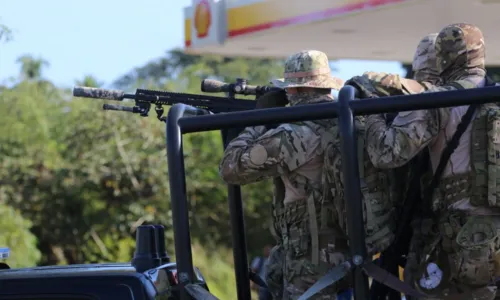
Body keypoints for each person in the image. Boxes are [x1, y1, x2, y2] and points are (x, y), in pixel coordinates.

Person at [346, 23, 500, 299]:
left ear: (441, 57)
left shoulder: (436, 100)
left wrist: (370, 111)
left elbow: (387, 152)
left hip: (458, 237)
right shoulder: (495, 95)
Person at [219, 50, 347, 299]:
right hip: (347, 251)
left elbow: (231, 169)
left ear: (295, 90)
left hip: (310, 260)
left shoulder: (295, 134)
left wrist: (258, 120)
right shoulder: (345, 120)